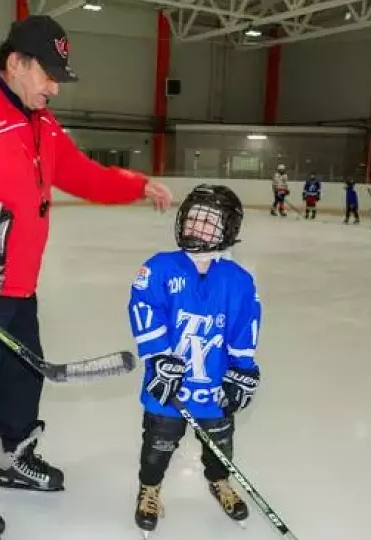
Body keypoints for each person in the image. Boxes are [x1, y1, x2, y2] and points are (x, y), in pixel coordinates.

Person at [0, 14, 173, 540]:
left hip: (21, 288)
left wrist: (134, 184)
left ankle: (13, 459)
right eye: (47, 74)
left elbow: (80, 173)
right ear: (16, 64)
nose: (54, 86)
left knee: (21, 385)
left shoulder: (41, 123)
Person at [126, 184, 261, 538]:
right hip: (167, 388)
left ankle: (219, 481)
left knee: (220, 446)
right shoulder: (158, 267)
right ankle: (149, 488)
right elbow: (144, 308)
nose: (195, 228)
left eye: (208, 222)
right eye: (192, 219)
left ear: (227, 230)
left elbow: (244, 327)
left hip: (213, 390)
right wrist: (159, 358)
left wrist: (243, 370)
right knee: (156, 446)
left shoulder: (239, 281)